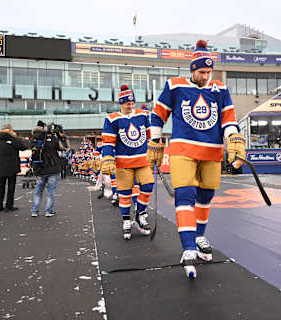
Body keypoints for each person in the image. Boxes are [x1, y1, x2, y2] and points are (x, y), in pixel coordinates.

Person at [148, 40, 246, 279]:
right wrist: (156, 140)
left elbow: (228, 120)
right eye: (202, 71)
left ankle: (199, 234)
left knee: (205, 196)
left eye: (209, 72)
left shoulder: (220, 89)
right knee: (185, 195)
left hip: (211, 152)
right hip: (183, 150)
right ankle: (188, 247)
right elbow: (157, 115)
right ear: (192, 69)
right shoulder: (174, 86)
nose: (206, 76)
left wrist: (233, 138)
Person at [101, 84, 154, 240]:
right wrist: (108, 158)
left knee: (148, 185)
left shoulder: (143, 115)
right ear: (121, 103)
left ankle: (139, 215)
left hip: (142, 159)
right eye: (127, 103)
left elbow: (150, 136)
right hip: (123, 162)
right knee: (124, 193)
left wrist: (154, 151)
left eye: (132, 103)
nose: (130, 106)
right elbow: (108, 141)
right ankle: (126, 221)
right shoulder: (111, 119)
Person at [30, 121, 69, 217]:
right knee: (50, 190)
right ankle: (48, 211)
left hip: (39, 168)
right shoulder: (53, 139)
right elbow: (65, 147)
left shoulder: (36, 139)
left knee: (38, 190)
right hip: (53, 168)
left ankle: (34, 211)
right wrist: (61, 136)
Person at [0, 123, 30, 212]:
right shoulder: (13, 139)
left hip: (0, 166)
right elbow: (23, 147)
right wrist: (24, 140)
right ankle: (9, 206)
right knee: (11, 187)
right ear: (11, 130)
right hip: (12, 166)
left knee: (0, 187)